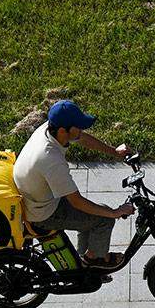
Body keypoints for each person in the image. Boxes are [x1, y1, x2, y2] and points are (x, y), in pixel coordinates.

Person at [12, 100, 135, 268]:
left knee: (94, 214)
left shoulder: (49, 128)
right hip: (44, 213)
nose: (81, 130)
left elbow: (82, 138)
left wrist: (114, 152)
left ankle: (84, 260)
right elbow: (76, 202)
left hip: (36, 197)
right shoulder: (51, 160)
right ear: (64, 130)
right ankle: (95, 260)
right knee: (104, 219)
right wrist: (114, 212)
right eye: (78, 126)